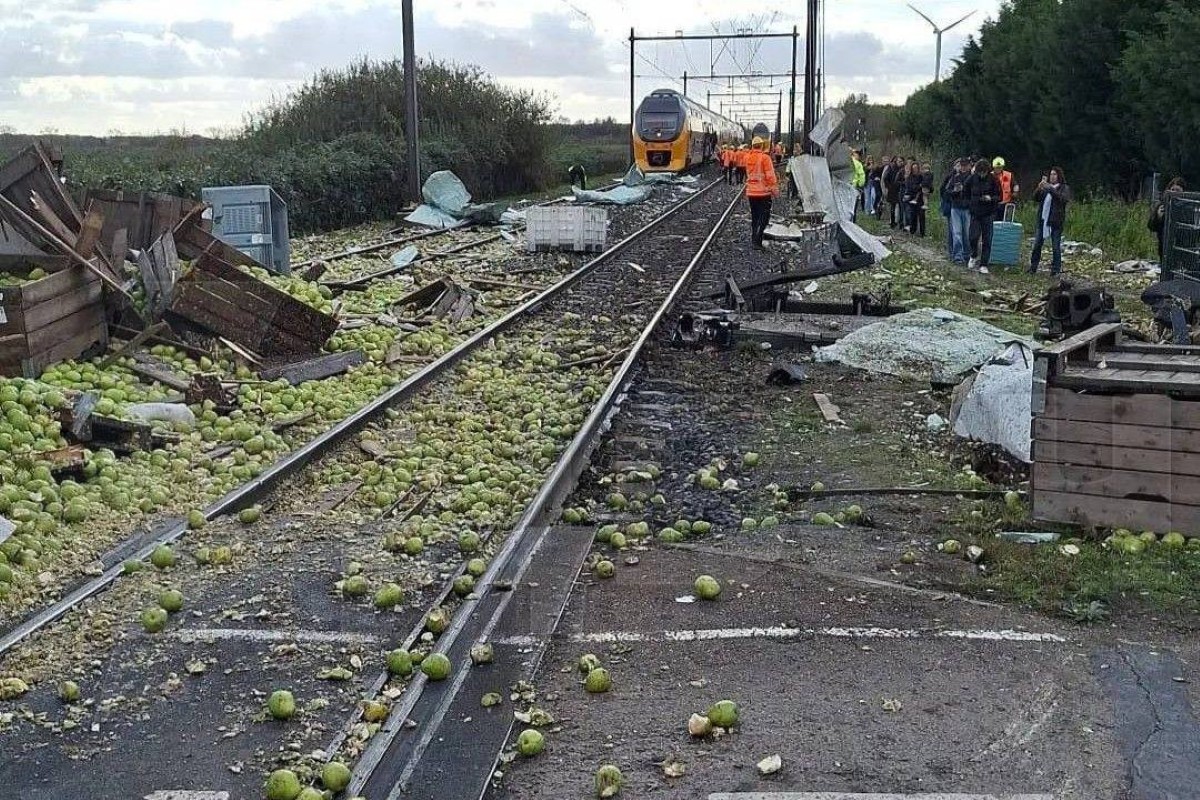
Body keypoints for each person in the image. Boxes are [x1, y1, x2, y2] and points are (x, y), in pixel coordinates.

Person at [1029, 166, 1072, 275]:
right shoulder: (1046, 188)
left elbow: (1062, 200)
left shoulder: (1064, 188)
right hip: (1042, 219)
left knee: (1055, 246)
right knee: (1037, 244)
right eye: (1051, 174)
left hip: (1056, 221)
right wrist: (1039, 188)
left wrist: (1050, 189)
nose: (1052, 177)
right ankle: (1033, 267)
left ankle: (1056, 269)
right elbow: (1035, 198)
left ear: (1059, 176)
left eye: (1054, 174)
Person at [966, 157, 1001, 273]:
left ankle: (984, 264)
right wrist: (969, 203)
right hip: (975, 212)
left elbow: (999, 196)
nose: (982, 175)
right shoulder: (972, 178)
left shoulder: (994, 180)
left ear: (987, 171)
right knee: (973, 236)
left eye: (984, 172)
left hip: (988, 213)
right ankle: (974, 254)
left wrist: (991, 198)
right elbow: (965, 192)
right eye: (980, 172)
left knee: (987, 239)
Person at [745, 136, 779, 250]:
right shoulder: (765, 158)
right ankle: (757, 241)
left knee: (755, 217)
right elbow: (770, 176)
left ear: (753, 145)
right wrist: (774, 190)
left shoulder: (748, 157)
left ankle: (754, 238)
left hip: (751, 193)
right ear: (762, 145)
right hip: (763, 193)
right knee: (764, 218)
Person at [1149, 177, 1186, 263]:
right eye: (1172, 189)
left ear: (1183, 192)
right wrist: (1158, 217)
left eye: (1178, 190)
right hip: (1164, 247)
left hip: (1182, 248)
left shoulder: (1187, 207)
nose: (1174, 192)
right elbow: (1151, 226)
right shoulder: (1162, 205)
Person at [944, 158, 972, 266]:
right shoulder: (955, 177)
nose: (964, 167)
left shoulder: (973, 177)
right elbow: (947, 191)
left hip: (967, 209)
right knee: (957, 233)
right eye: (962, 165)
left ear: (969, 166)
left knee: (967, 234)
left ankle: (967, 255)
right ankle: (957, 257)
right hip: (955, 208)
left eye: (966, 165)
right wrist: (954, 191)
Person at [992, 156, 1018, 221]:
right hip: (993, 204)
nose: (998, 169)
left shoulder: (1008, 175)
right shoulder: (990, 176)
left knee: (1006, 223)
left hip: (1007, 204)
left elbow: (1015, 185)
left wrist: (1015, 192)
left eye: (1000, 167)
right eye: (997, 167)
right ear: (993, 167)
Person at [886, 156, 905, 228]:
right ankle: (892, 222)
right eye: (898, 161)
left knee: (901, 208)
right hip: (893, 190)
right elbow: (886, 179)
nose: (900, 162)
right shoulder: (891, 168)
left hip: (901, 190)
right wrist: (889, 187)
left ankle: (900, 223)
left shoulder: (904, 170)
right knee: (893, 207)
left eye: (901, 161)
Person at [850, 149, 866, 221]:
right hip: (854, 188)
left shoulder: (847, 162)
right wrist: (860, 185)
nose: (859, 157)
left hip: (843, 187)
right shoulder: (858, 164)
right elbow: (862, 176)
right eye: (859, 155)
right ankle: (852, 223)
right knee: (853, 208)